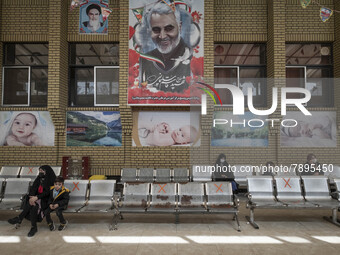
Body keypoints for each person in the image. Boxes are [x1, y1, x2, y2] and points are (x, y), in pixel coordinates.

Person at [139, 2, 192, 93]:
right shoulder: (145, 59)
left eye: (169, 29)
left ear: (180, 27)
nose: (162, 36)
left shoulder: (192, 57)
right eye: (156, 30)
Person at [8, 165, 56, 237]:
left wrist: (36, 197)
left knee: (34, 206)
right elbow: (33, 189)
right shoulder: (39, 178)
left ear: (47, 171)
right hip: (36, 199)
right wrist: (31, 197)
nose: (40, 172)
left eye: (42, 170)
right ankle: (33, 227)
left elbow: (48, 193)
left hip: (46, 200)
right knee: (33, 205)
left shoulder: (52, 180)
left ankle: (21, 219)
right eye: (39, 170)